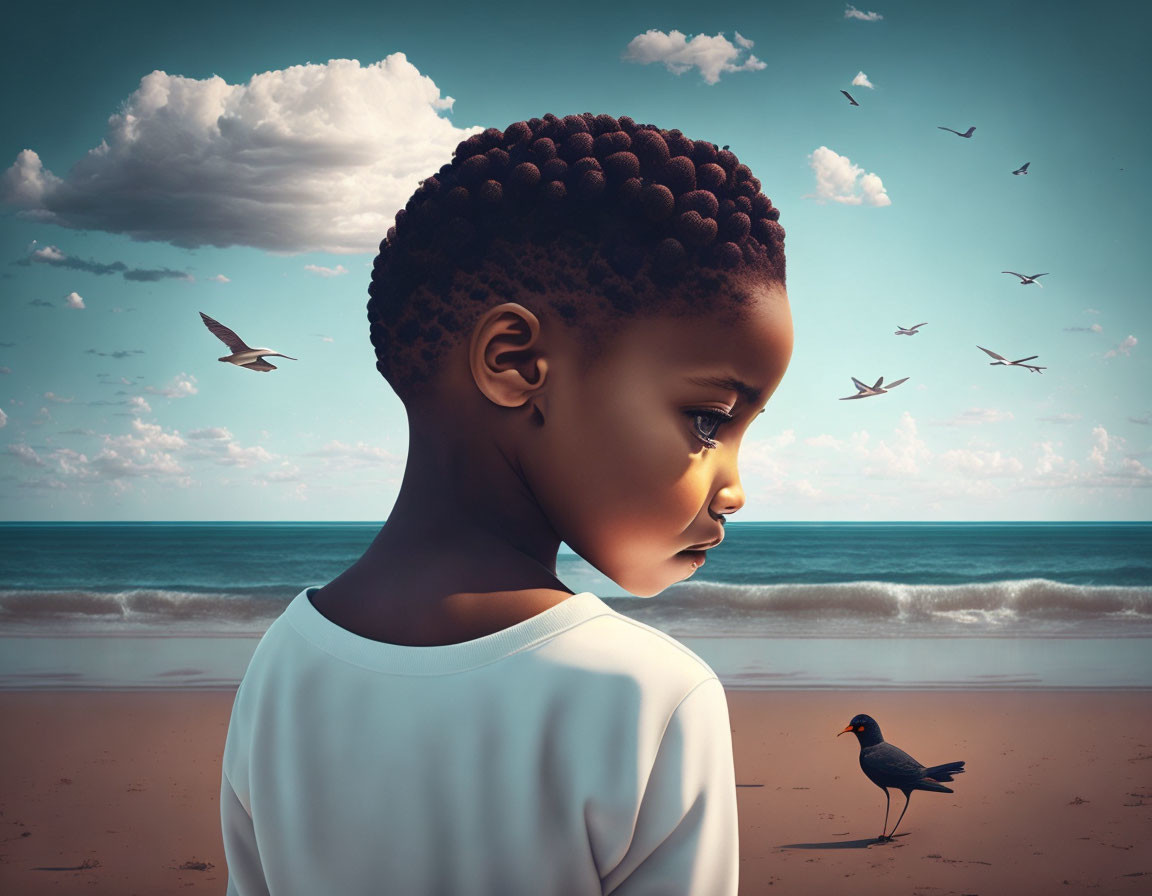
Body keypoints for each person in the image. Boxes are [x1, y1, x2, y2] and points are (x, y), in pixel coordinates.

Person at [220, 112, 793, 895]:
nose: (734, 486)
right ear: (516, 362)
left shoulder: (282, 666)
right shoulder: (654, 697)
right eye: (708, 421)